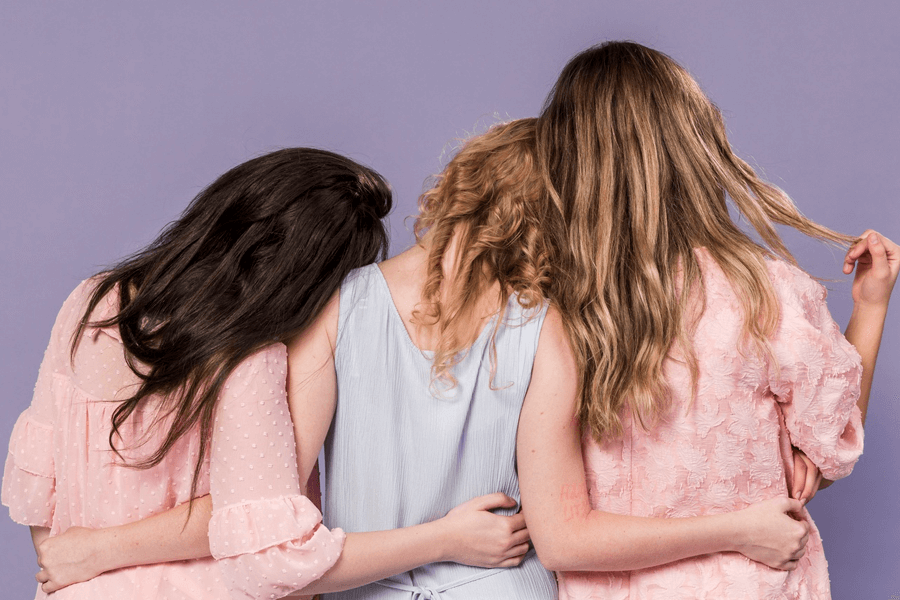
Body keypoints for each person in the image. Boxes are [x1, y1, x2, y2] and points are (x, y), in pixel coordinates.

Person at [27, 121, 817, 599]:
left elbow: (263, 537)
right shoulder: (551, 329)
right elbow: (569, 523)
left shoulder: (326, 312)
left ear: (460, 185)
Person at [1, 148, 532, 600]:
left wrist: (76, 562)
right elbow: (262, 537)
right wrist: (446, 538)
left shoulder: (93, 302)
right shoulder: (252, 360)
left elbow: (38, 481)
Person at [520, 41, 899, 598]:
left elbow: (561, 538)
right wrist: (870, 307)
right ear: (697, 147)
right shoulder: (764, 291)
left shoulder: (559, 310)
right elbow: (832, 445)